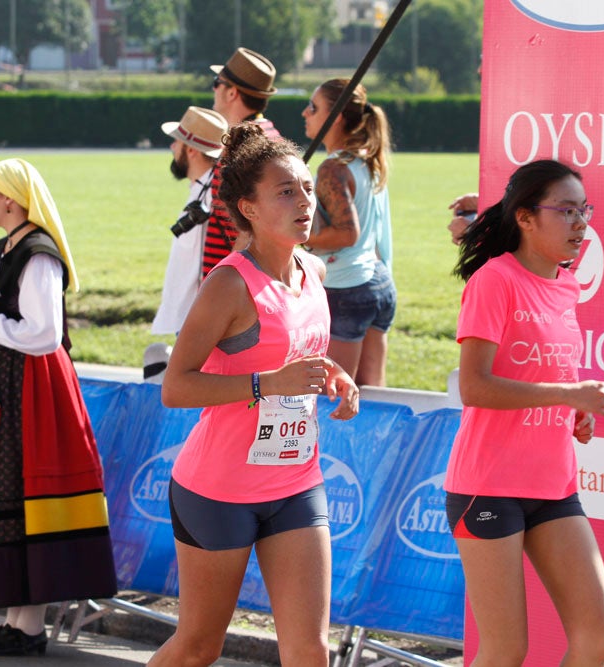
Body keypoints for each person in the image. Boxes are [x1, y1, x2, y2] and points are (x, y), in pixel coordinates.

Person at [149, 124, 359, 667]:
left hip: (295, 479)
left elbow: (295, 351)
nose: (305, 201)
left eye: (307, 189)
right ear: (249, 207)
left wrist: (335, 374)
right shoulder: (229, 285)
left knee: (310, 651)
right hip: (219, 490)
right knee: (199, 647)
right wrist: (271, 385)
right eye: (286, 191)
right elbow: (176, 386)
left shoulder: (313, 271)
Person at [447, 159, 604, 665]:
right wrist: (567, 395)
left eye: (584, 210)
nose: (581, 223)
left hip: (553, 486)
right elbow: (475, 387)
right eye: (566, 211)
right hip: (489, 485)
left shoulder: (566, 284)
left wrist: (574, 412)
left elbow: (543, 375)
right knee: (504, 651)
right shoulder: (494, 280)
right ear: (525, 217)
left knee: (596, 638)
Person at [0, 158, 117, 656]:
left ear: (11, 201)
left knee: (27, 490)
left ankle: (30, 625)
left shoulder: (39, 255)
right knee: (6, 491)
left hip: (35, 384)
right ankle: (16, 617)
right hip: (7, 376)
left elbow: (43, 334)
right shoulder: (4, 248)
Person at [301, 78, 397, 387]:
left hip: (346, 289)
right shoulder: (367, 159)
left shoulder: (332, 167)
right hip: (378, 282)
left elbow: (346, 234)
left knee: (336, 398)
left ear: (337, 115)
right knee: (374, 396)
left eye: (314, 108)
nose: (305, 112)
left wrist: (298, 237)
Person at [204, 47, 282, 279]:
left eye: (217, 82)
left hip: (234, 284)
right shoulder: (268, 133)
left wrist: (223, 286)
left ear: (232, 93)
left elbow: (248, 231)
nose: (213, 89)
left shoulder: (244, 146)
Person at [151, 105, 228, 339]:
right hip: (194, 318)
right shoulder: (204, 187)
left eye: (177, 141)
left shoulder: (214, 194)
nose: (172, 147)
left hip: (198, 322)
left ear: (192, 150)